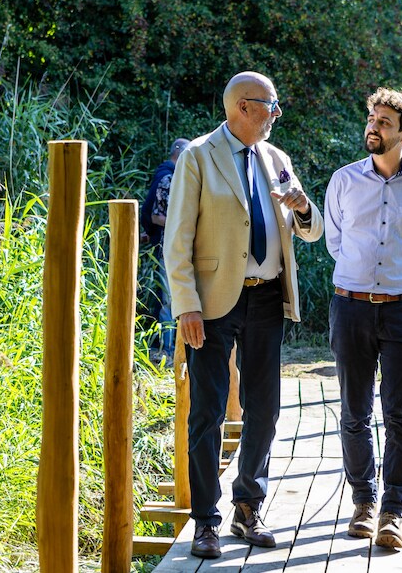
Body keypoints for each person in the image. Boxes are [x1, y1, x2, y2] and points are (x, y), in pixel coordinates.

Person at [164, 71, 323, 559]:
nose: (277, 114)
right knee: (208, 412)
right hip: (212, 303)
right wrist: (186, 305)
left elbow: (310, 231)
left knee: (266, 409)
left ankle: (247, 508)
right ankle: (207, 521)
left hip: (267, 298)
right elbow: (177, 241)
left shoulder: (277, 159)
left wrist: (301, 209)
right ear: (243, 107)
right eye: (271, 105)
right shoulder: (198, 157)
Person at [324, 87, 402, 549]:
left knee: (399, 413)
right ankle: (364, 502)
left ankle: (394, 509)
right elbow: (336, 241)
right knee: (354, 412)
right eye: (371, 118)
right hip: (350, 306)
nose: (373, 126)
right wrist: (360, 281)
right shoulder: (343, 181)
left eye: (384, 122)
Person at [140, 137, 189, 364]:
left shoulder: (165, 174)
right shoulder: (168, 177)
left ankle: (173, 350)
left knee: (170, 299)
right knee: (170, 301)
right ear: (179, 153)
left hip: (165, 245)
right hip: (167, 248)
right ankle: (169, 352)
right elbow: (156, 215)